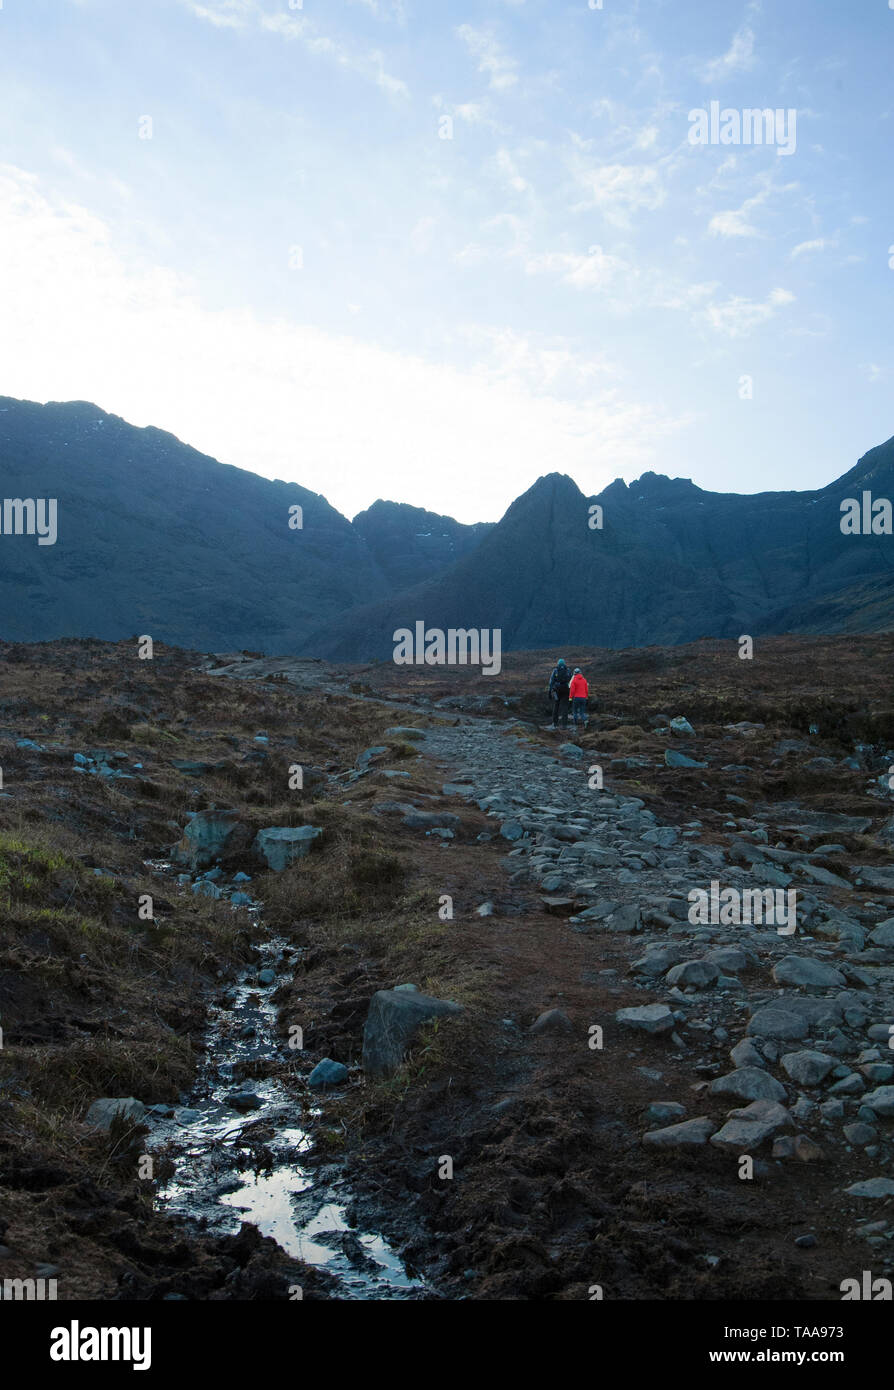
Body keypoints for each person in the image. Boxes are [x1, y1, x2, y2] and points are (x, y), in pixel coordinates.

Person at [548, 658, 571, 728]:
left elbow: (551, 682)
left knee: (556, 706)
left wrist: (550, 691)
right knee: (564, 707)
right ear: (564, 664)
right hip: (566, 690)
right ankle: (564, 725)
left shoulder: (555, 671)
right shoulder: (568, 670)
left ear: (558, 664)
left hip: (557, 690)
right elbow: (571, 681)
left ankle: (555, 723)